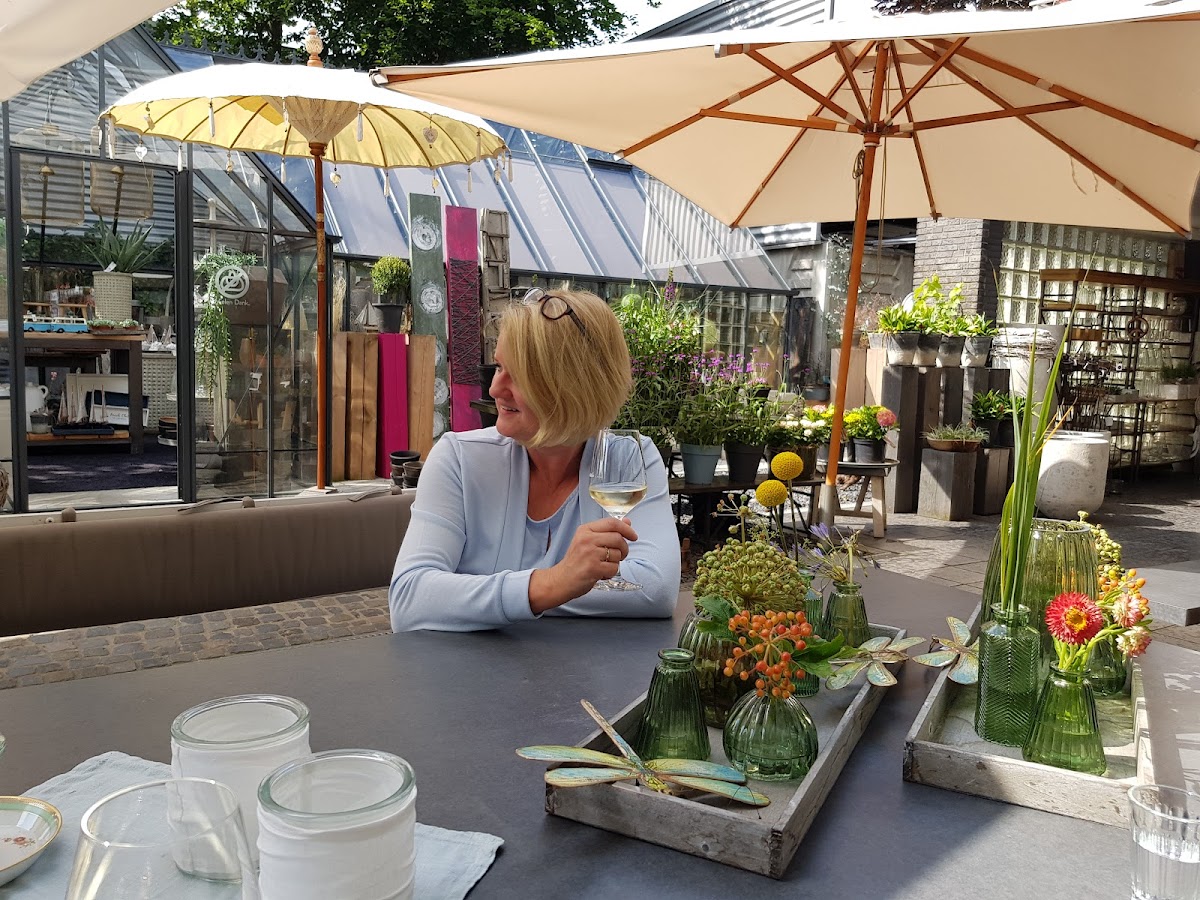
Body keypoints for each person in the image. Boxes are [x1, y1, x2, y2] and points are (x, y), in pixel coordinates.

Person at [389, 288, 681, 632]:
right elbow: (410, 598)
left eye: (519, 375)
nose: (495, 389)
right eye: (499, 367)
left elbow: (655, 587)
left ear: (573, 385)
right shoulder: (459, 459)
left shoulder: (629, 458)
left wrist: (474, 600)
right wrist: (553, 583)